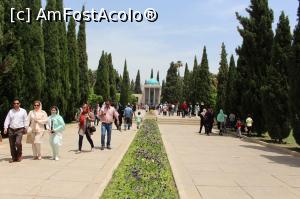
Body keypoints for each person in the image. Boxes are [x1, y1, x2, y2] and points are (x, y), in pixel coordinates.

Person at [3, 99, 28, 163]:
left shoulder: (23, 111)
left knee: (18, 143)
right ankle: (13, 157)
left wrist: (26, 128)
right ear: (13, 104)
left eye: (17, 103)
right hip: (11, 129)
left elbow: (25, 120)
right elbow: (7, 120)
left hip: (19, 129)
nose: (16, 104)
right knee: (12, 144)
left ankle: (19, 156)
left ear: (19, 104)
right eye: (14, 103)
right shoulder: (11, 111)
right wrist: (5, 128)